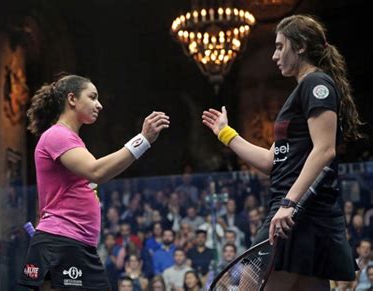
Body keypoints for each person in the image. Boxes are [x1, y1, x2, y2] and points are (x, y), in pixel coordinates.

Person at [202, 15, 362, 290]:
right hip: (297, 215)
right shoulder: (300, 93)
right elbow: (269, 161)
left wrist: (289, 204)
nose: (275, 55)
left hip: (297, 215)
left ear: (299, 46)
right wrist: (226, 134)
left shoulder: (316, 85)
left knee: (249, 287)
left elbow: (325, 150)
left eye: (279, 46)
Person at [18, 73, 170, 290]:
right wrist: (143, 140)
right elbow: (96, 171)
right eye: (92, 97)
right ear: (72, 99)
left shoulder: (71, 139)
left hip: (71, 244)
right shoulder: (57, 136)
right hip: (62, 242)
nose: (99, 105)